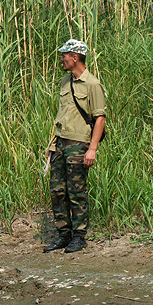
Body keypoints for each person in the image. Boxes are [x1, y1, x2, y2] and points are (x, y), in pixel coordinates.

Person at [43, 39, 106, 254]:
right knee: (57, 190)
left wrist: (92, 149)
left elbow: (100, 119)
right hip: (60, 143)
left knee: (76, 191)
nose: (61, 59)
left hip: (79, 145)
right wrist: (53, 145)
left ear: (75, 57)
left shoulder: (92, 85)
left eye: (64, 55)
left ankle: (79, 237)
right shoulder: (63, 82)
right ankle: (64, 234)